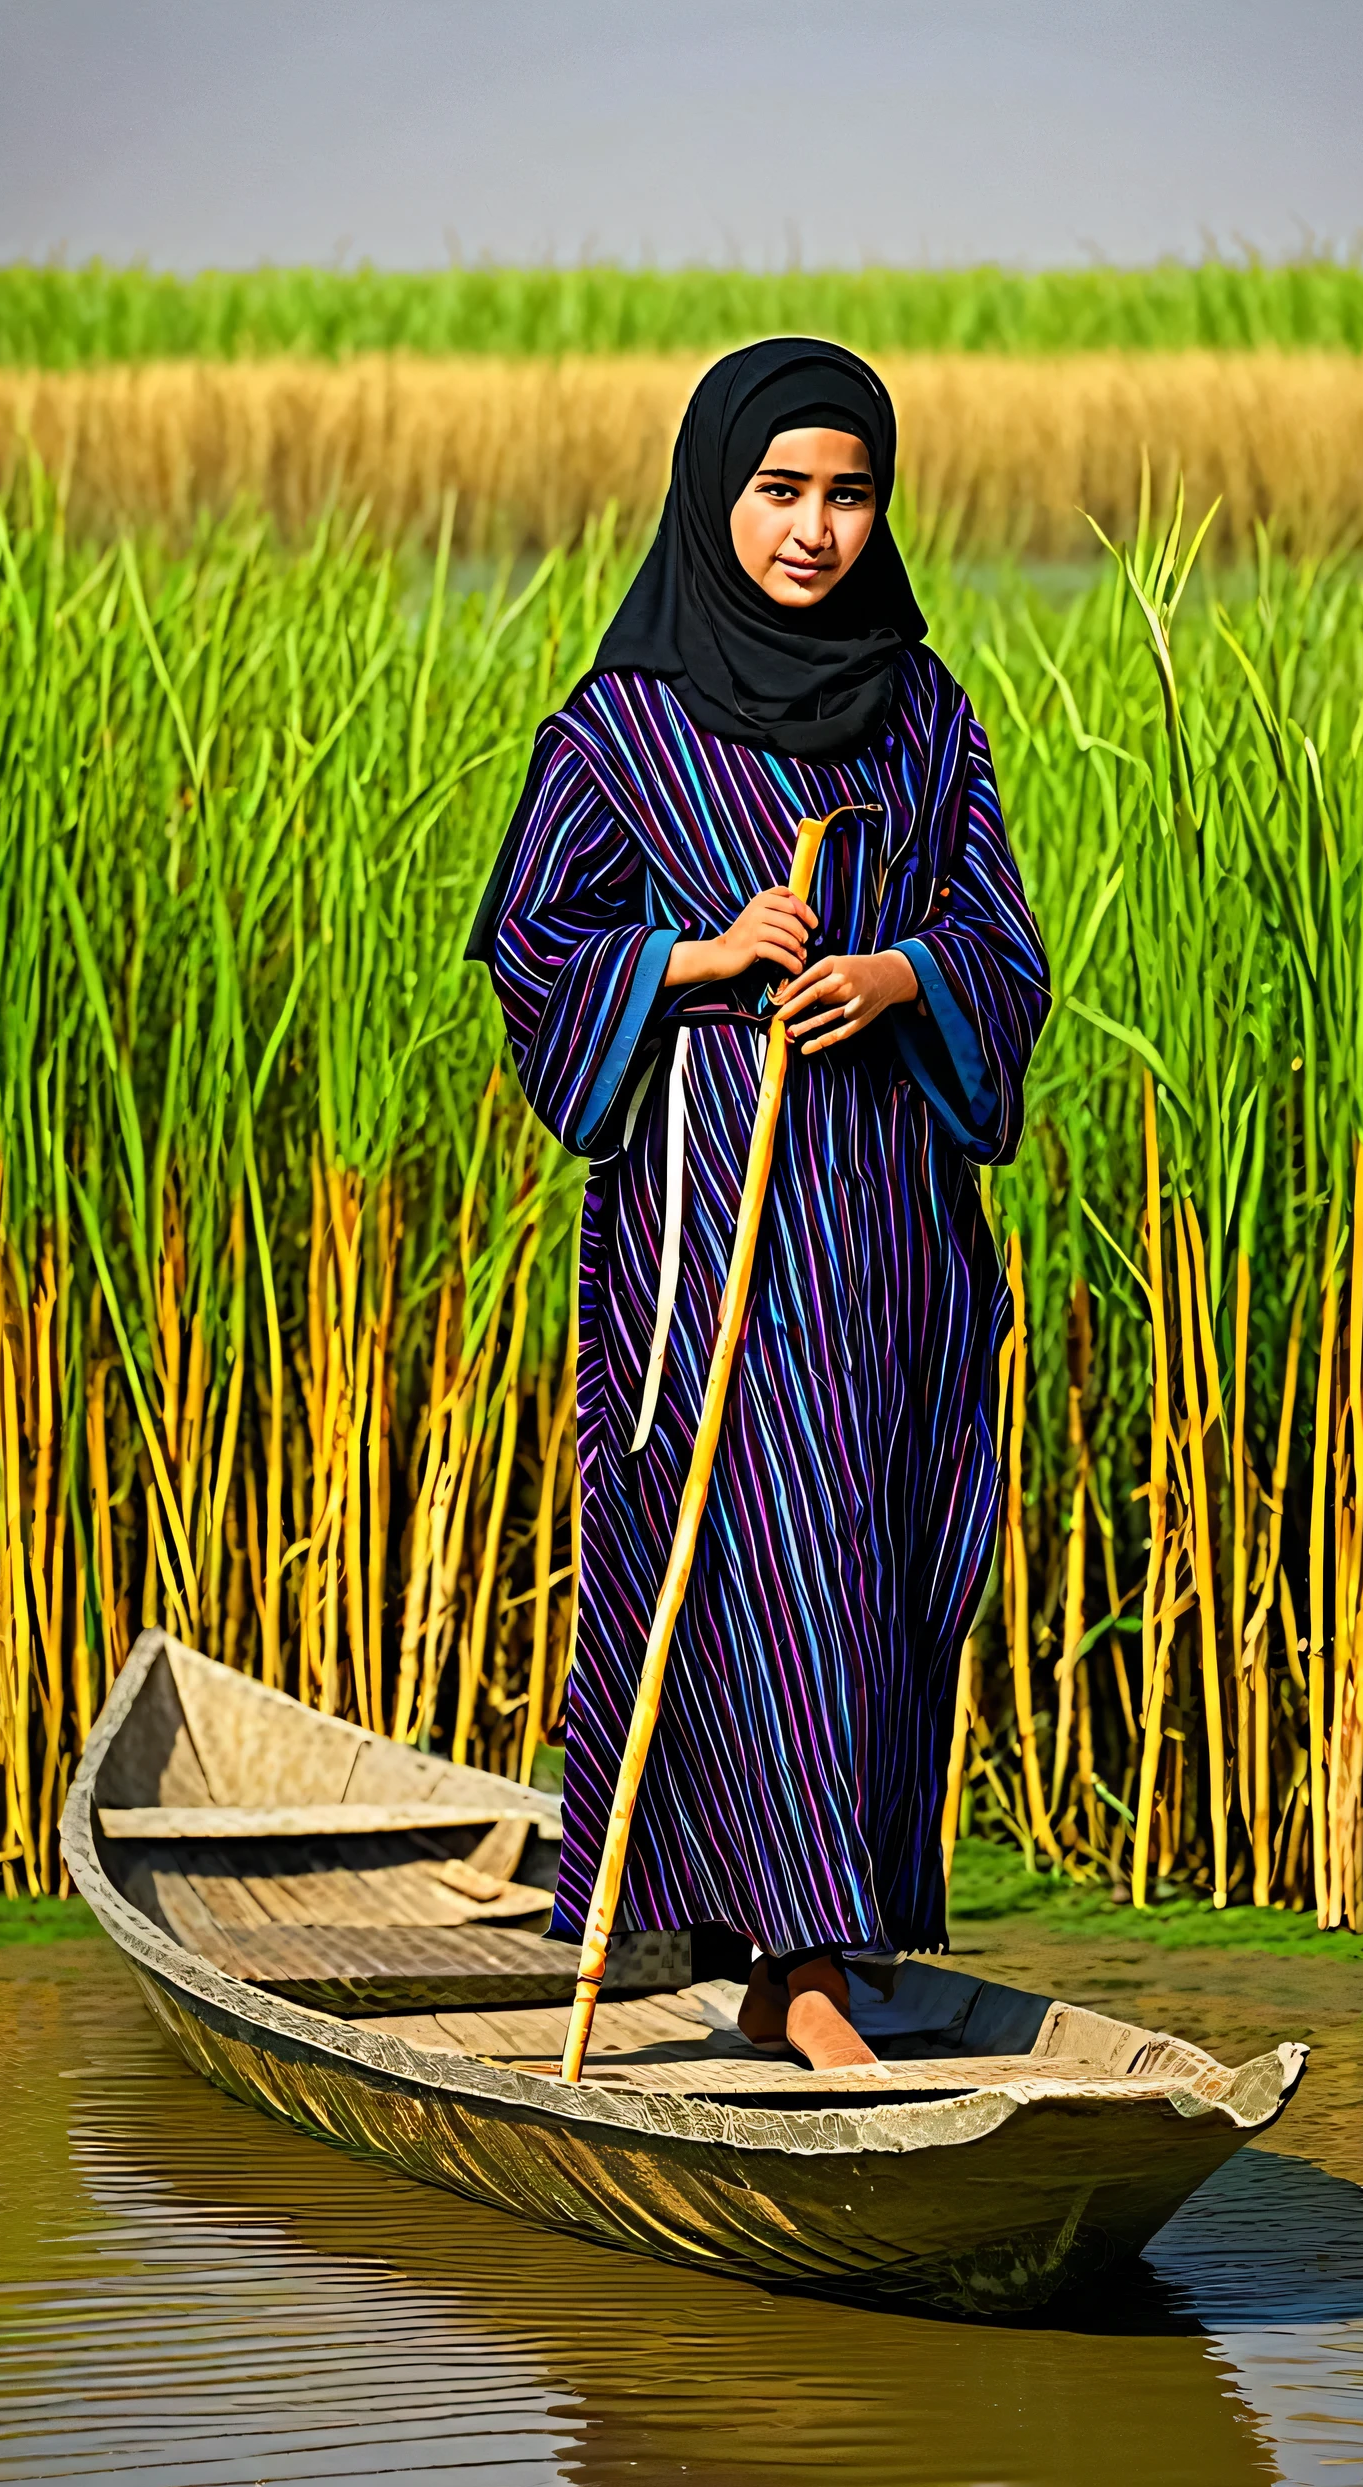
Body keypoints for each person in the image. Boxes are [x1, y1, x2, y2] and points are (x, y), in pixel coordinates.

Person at [467, 337, 1048, 2069]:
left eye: (848, 493)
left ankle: (818, 1935)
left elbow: (1003, 949)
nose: (814, 530)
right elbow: (531, 945)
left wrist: (904, 975)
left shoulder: (927, 712)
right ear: (714, 492)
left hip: (881, 1226)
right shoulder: (620, 724)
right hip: (709, 1222)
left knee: (862, 1560)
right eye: (780, 490)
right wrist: (694, 956)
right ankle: (791, 1969)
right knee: (749, 1548)